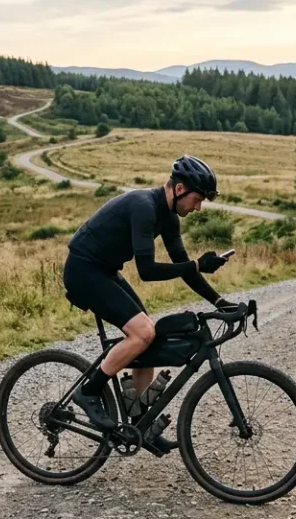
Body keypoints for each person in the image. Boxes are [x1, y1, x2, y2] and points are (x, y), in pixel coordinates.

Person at [62, 155, 234, 455]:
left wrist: (220, 301)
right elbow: (147, 271)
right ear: (179, 189)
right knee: (141, 333)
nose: (198, 207)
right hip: (83, 270)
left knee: (148, 336)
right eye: (197, 199)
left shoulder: (168, 217)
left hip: (105, 270)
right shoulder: (144, 207)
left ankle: (140, 421)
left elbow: (184, 267)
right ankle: (88, 393)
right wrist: (196, 264)